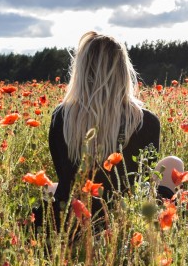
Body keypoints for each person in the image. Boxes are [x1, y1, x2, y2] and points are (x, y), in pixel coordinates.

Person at [44, 31, 180, 227]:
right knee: (173, 163)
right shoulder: (146, 121)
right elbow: (142, 177)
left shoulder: (62, 117)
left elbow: (65, 175)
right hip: (123, 219)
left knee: (50, 188)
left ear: (81, 70)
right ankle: (161, 225)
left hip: (73, 218)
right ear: (123, 70)